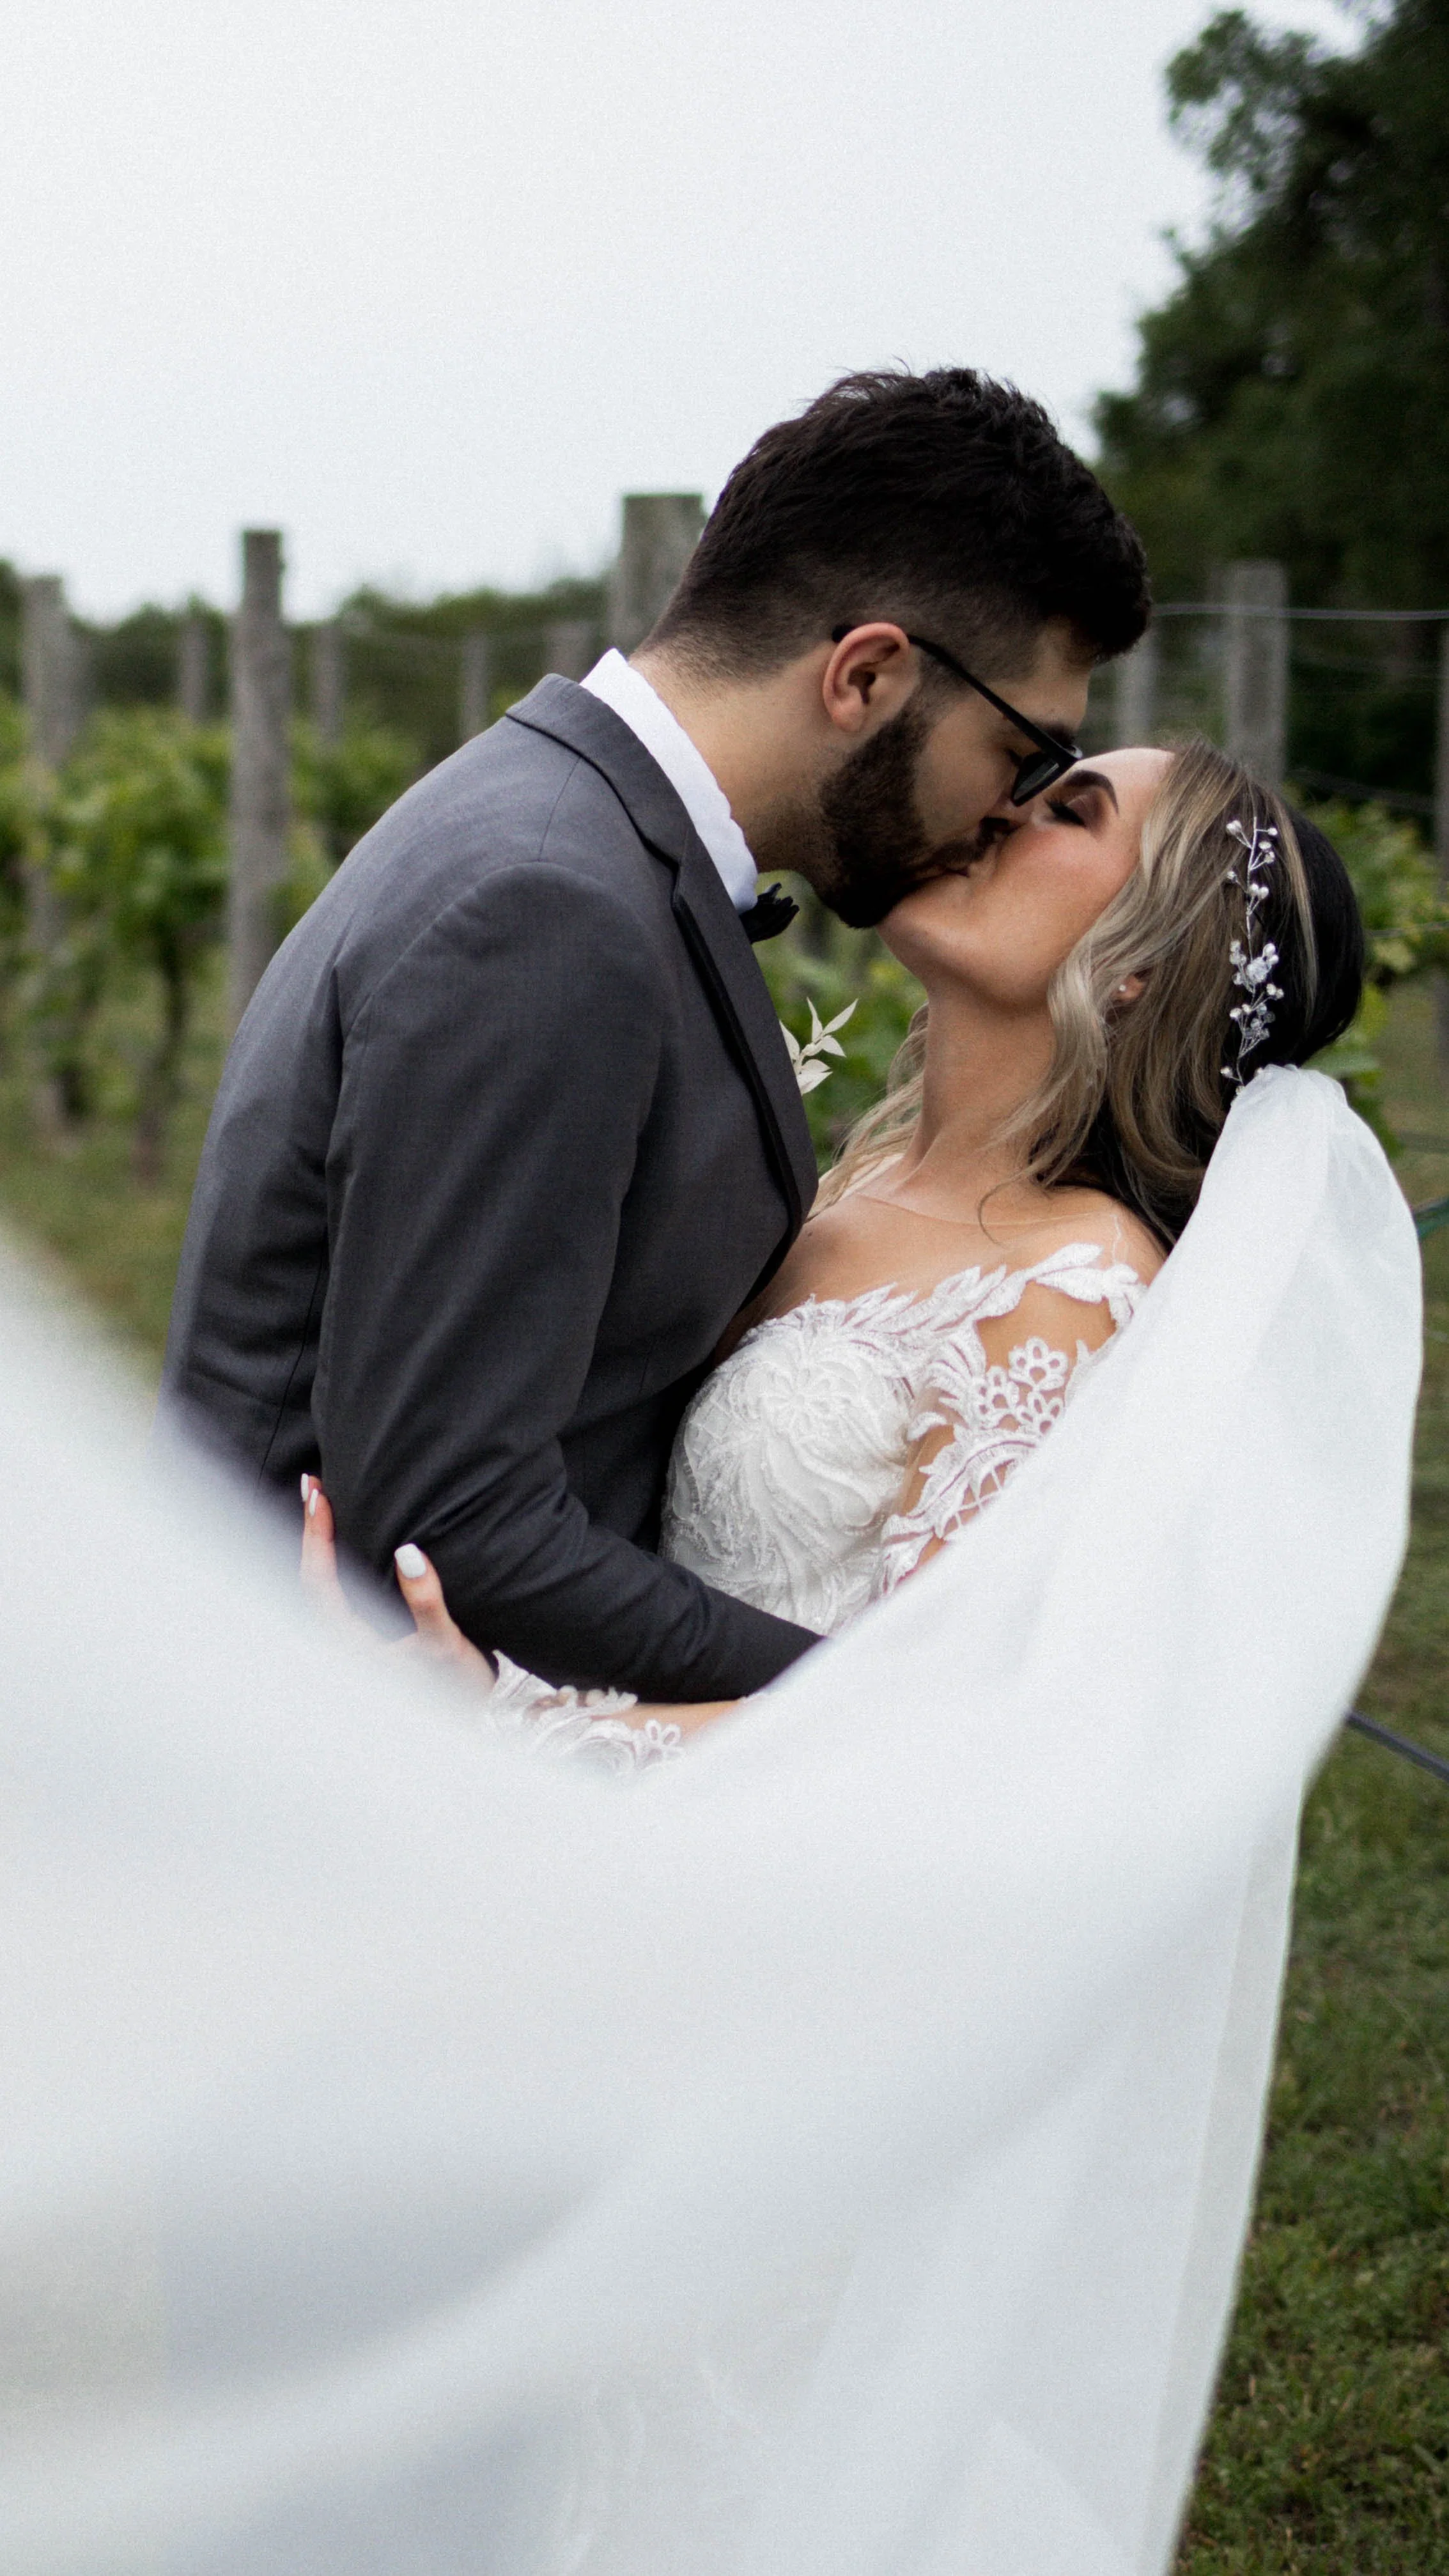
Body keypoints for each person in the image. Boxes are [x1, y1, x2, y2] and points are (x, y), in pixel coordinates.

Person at [162, 368, 1149, 1708]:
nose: (1006, 812)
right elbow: (454, 1514)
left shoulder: (558, 825)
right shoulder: (551, 903)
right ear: (866, 675)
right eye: (1024, 752)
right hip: (332, 1741)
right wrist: (877, 1721)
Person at [302, 736, 1367, 1763]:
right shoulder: (857, 1182)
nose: (1000, 809)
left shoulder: (1066, 1292)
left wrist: (500, 1724)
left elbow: (925, 1732)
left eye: (1067, 811)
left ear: (1140, 960)